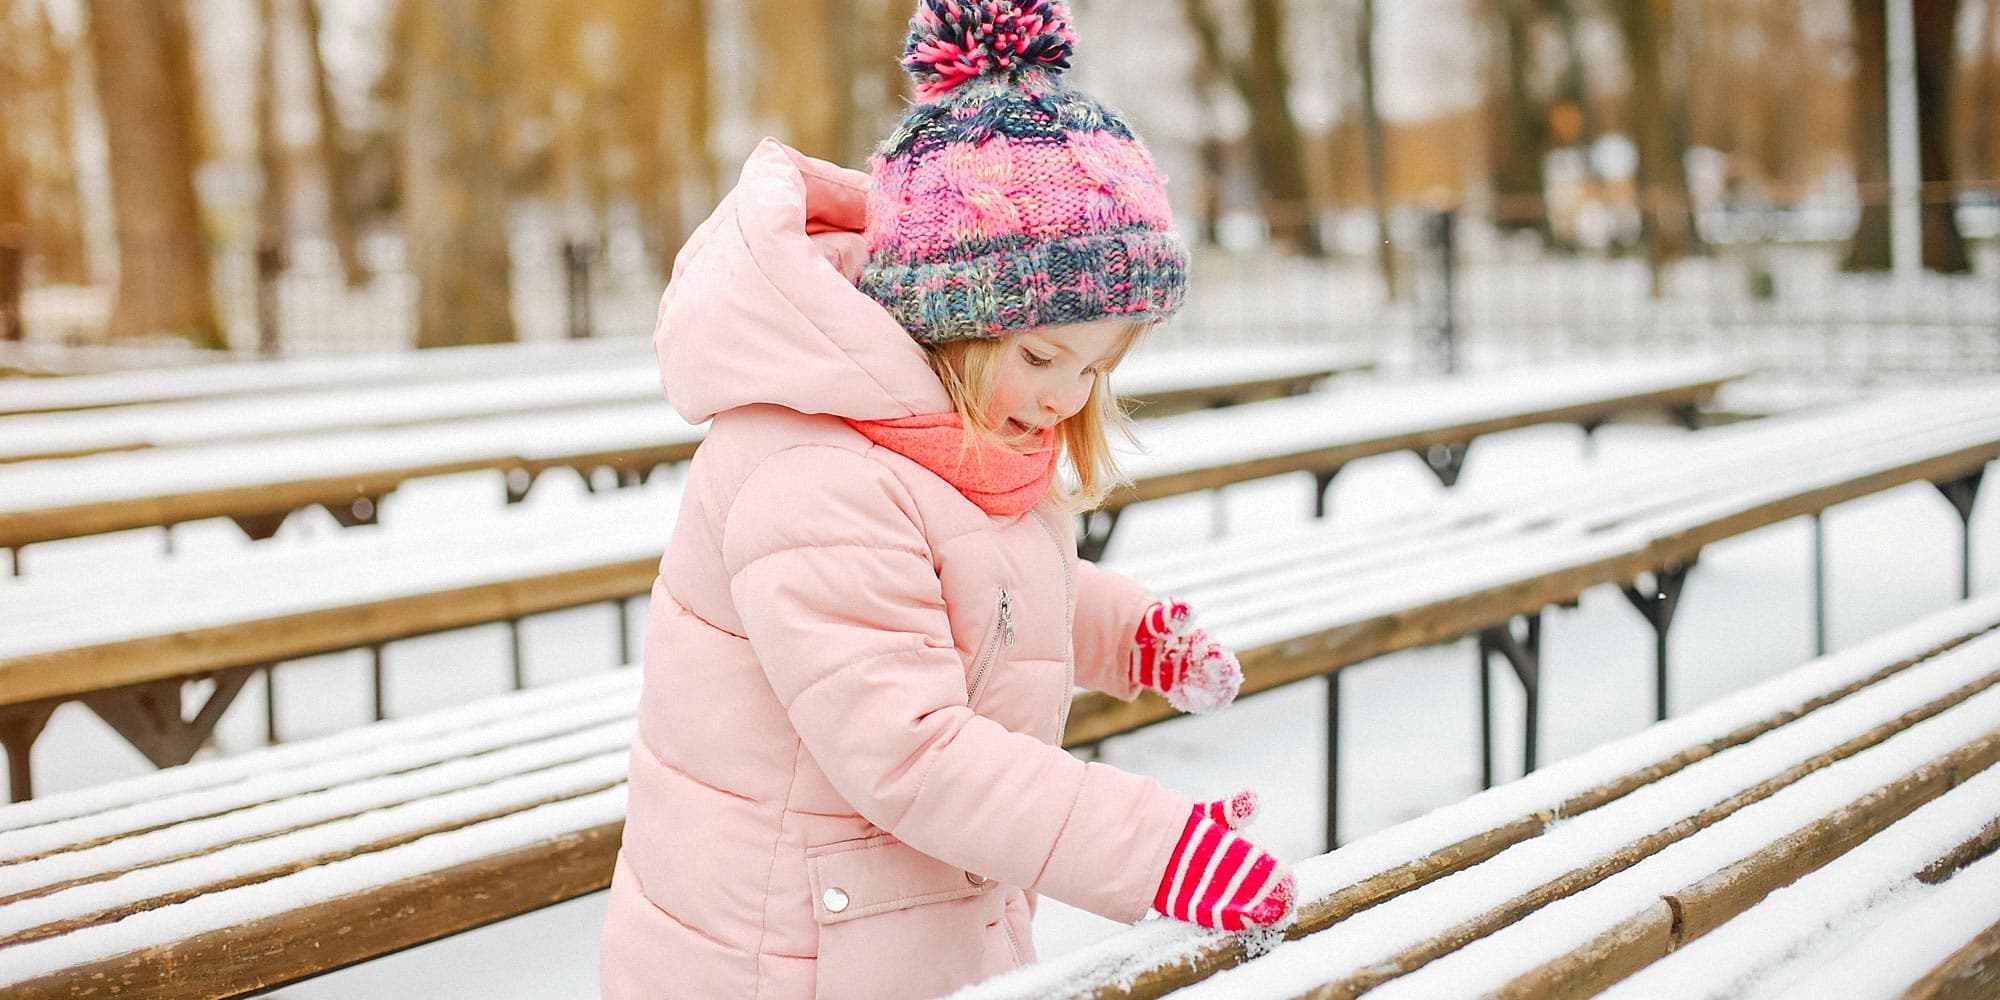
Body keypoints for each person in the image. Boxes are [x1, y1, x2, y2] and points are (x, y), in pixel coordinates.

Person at [598, 3, 1293, 997]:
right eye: (1042, 354)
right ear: (944, 318)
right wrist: (1154, 851)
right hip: (776, 962)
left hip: (887, 931)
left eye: (1095, 369)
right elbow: (915, 752)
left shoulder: (934, 432)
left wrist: (1119, 629)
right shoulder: (814, 474)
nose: (1064, 397)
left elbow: (962, 586)